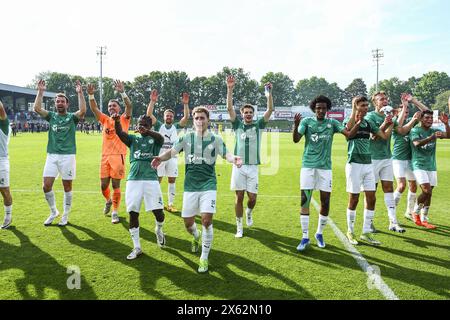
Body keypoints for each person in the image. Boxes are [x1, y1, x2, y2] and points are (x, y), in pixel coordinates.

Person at [151, 107, 242, 273]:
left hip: (209, 184)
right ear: (194, 120)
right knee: (188, 224)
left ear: (208, 120)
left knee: (207, 220)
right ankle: (196, 236)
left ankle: (204, 258)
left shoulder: (215, 139)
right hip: (190, 187)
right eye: (197, 118)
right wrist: (159, 158)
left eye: (203, 118)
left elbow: (226, 154)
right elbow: (171, 152)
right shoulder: (186, 138)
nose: (200, 121)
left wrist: (233, 158)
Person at [292, 95, 361, 251]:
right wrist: (295, 125)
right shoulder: (306, 122)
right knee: (305, 200)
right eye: (318, 108)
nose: (321, 111)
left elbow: (349, 135)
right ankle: (304, 237)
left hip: (325, 168)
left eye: (323, 108)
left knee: (326, 201)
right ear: (314, 109)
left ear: (327, 109)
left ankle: (319, 233)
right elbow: (296, 139)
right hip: (308, 166)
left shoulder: (333, 123)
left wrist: (357, 124)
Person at [33, 79, 86, 226]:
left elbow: (82, 111)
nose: (60, 103)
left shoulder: (71, 118)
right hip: (52, 155)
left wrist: (80, 93)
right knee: (46, 186)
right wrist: (41, 91)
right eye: (58, 101)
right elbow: (37, 108)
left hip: (68, 155)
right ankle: (53, 211)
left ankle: (65, 215)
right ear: (55, 104)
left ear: (67, 104)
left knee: (67, 186)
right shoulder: (51, 116)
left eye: (62, 101)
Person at [226, 75, 273, 238]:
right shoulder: (237, 124)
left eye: (250, 112)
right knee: (238, 196)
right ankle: (239, 227)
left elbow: (270, 111)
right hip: (238, 166)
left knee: (252, 198)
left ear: (253, 114)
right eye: (245, 112)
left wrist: (269, 94)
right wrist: (230, 89)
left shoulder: (258, 125)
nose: (248, 114)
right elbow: (229, 109)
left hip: (253, 167)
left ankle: (249, 212)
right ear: (242, 114)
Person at [113, 113, 166, 259]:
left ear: (150, 127)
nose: (141, 127)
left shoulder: (155, 139)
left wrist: (146, 131)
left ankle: (159, 230)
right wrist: (117, 121)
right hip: (133, 180)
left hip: (151, 180)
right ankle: (137, 247)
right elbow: (119, 133)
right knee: (133, 213)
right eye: (139, 124)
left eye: (145, 125)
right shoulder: (133, 139)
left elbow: (161, 138)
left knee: (159, 213)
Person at [366, 91, 419, 233]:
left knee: (389, 189)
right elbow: (373, 137)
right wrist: (385, 123)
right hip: (372, 159)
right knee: (371, 192)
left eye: (385, 98)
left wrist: (404, 105)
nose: (384, 100)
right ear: (375, 102)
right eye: (381, 99)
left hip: (387, 158)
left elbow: (400, 129)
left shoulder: (388, 115)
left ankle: (393, 222)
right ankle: (369, 223)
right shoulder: (370, 116)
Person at [344, 96, 391, 245]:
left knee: (371, 198)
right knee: (354, 198)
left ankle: (365, 232)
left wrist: (390, 123)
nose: (365, 107)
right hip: (354, 164)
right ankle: (350, 231)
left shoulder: (368, 123)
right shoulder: (350, 119)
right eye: (362, 105)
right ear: (356, 107)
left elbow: (383, 136)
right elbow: (348, 130)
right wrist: (353, 110)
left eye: (366, 105)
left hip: (368, 164)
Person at [87, 81, 132, 224]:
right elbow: (94, 109)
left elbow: (129, 106)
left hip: (118, 156)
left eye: (114, 105)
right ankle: (108, 200)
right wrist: (91, 95)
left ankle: (115, 212)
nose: (111, 107)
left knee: (115, 186)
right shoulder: (105, 119)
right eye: (109, 106)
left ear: (118, 108)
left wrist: (122, 92)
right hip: (105, 157)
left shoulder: (124, 119)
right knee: (103, 186)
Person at [146, 89, 189, 213]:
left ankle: (170, 204)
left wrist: (185, 104)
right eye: (167, 115)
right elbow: (149, 115)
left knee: (171, 180)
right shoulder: (159, 125)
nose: (169, 117)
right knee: (158, 180)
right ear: (164, 117)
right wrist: (152, 101)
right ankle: (158, 203)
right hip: (159, 157)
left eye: (171, 115)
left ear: (173, 117)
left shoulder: (176, 126)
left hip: (172, 158)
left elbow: (186, 118)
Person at [409, 110, 449, 229]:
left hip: (431, 165)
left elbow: (449, 135)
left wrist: (446, 124)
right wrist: (431, 137)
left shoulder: (434, 131)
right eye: (427, 118)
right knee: (426, 191)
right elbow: (417, 144)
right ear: (421, 119)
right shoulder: (415, 130)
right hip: (418, 165)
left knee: (429, 194)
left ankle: (424, 219)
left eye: (431, 118)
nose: (429, 120)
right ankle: (415, 212)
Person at [392, 93, 426, 221]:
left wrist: (414, 101)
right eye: (403, 112)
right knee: (401, 186)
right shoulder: (395, 123)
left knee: (413, 186)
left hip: (411, 160)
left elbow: (426, 112)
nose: (405, 114)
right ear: (398, 113)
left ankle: (409, 212)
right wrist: (411, 116)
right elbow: (402, 130)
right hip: (398, 160)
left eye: (407, 112)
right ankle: (392, 215)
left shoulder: (412, 122)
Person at [0, 100, 13, 229]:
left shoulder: (3, 124)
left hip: (1, 161)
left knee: (4, 191)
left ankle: (8, 216)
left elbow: (1, 111)